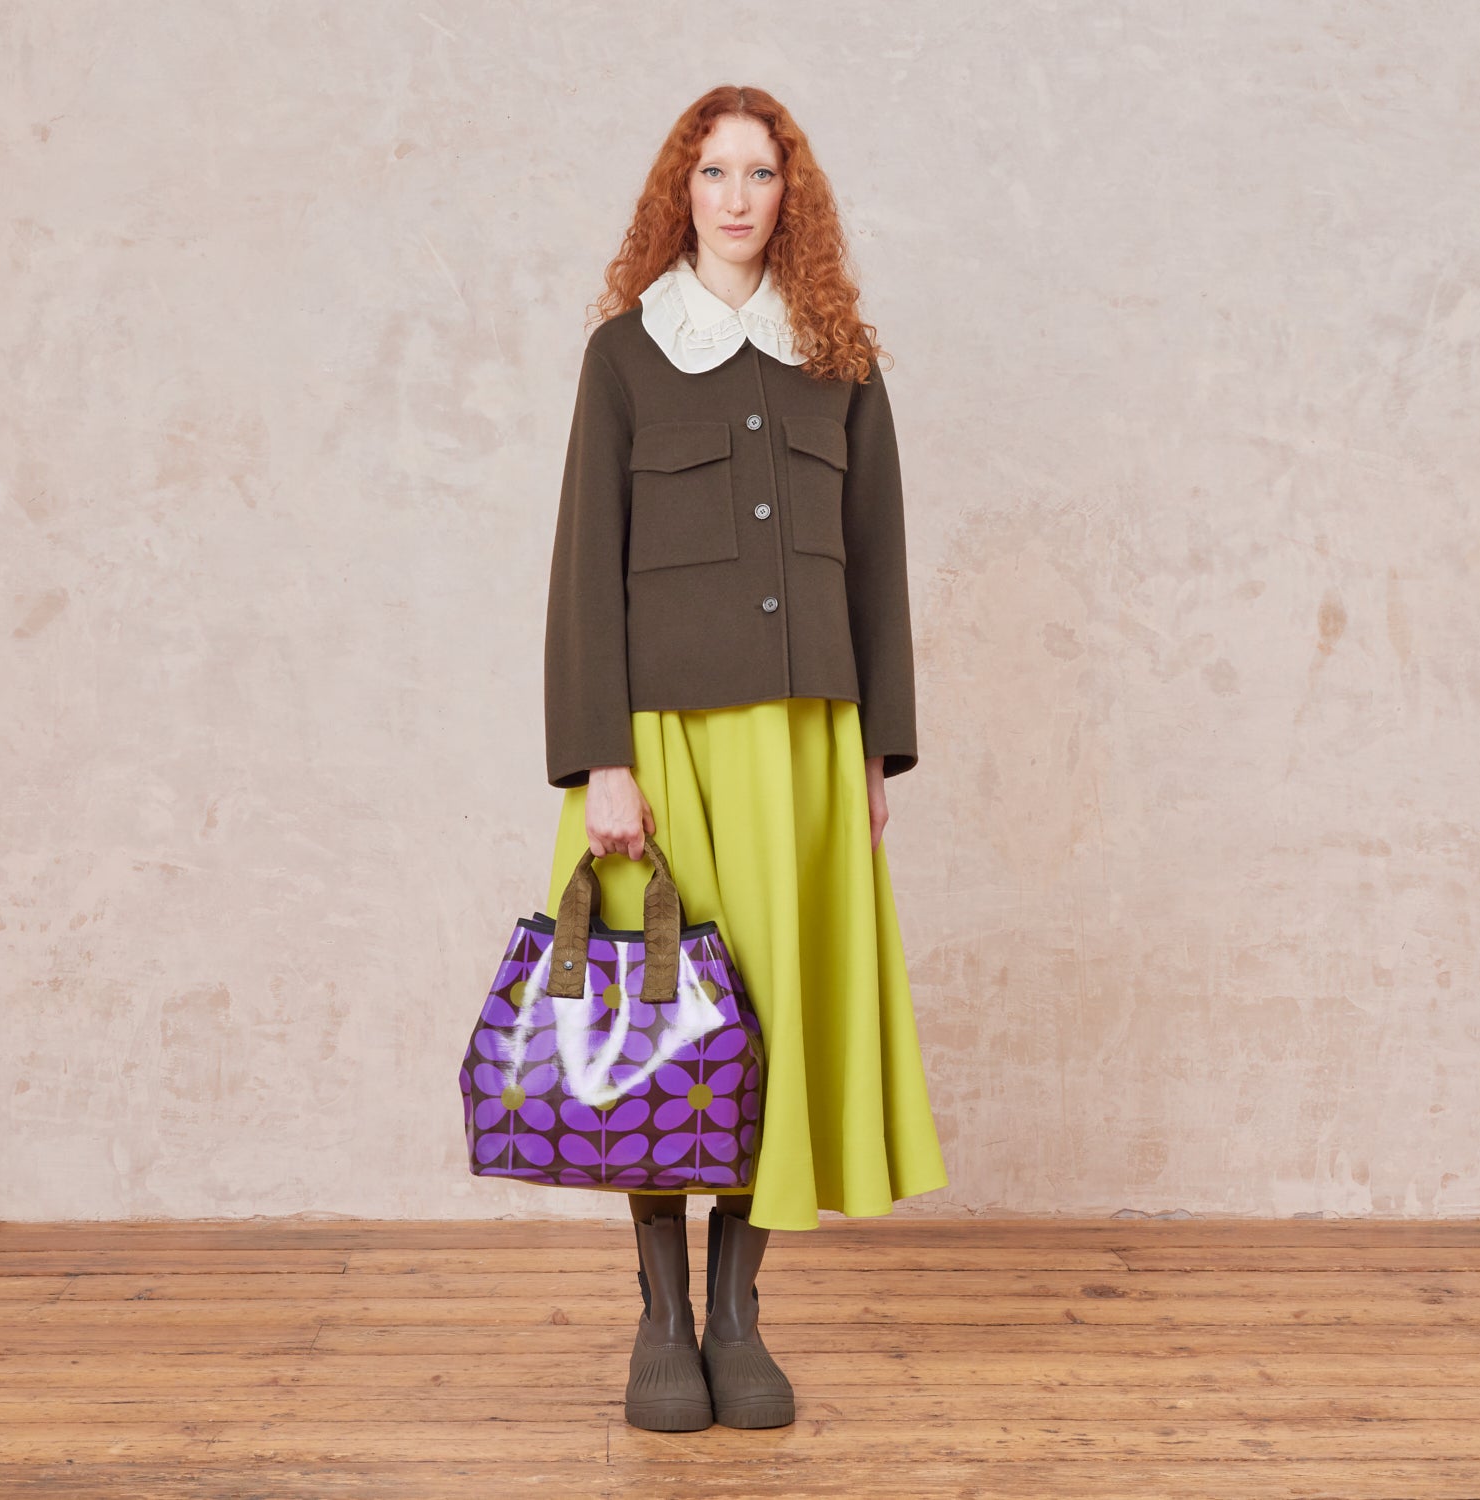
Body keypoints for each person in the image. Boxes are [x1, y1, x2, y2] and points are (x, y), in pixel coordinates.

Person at [541, 85, 949, 1433]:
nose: (733, 195)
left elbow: (881, 564)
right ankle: (660, 1321)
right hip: (658, 747)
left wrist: (874, 762)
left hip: (806, 752)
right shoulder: (625, 357)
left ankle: (741, 1318)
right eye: (712, 171)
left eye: (759, 172)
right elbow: (583, 575)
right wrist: (600, 759)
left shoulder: (843, 359)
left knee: (767, 1023)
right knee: (660, 1026)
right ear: (682, 190)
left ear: (791, 195)